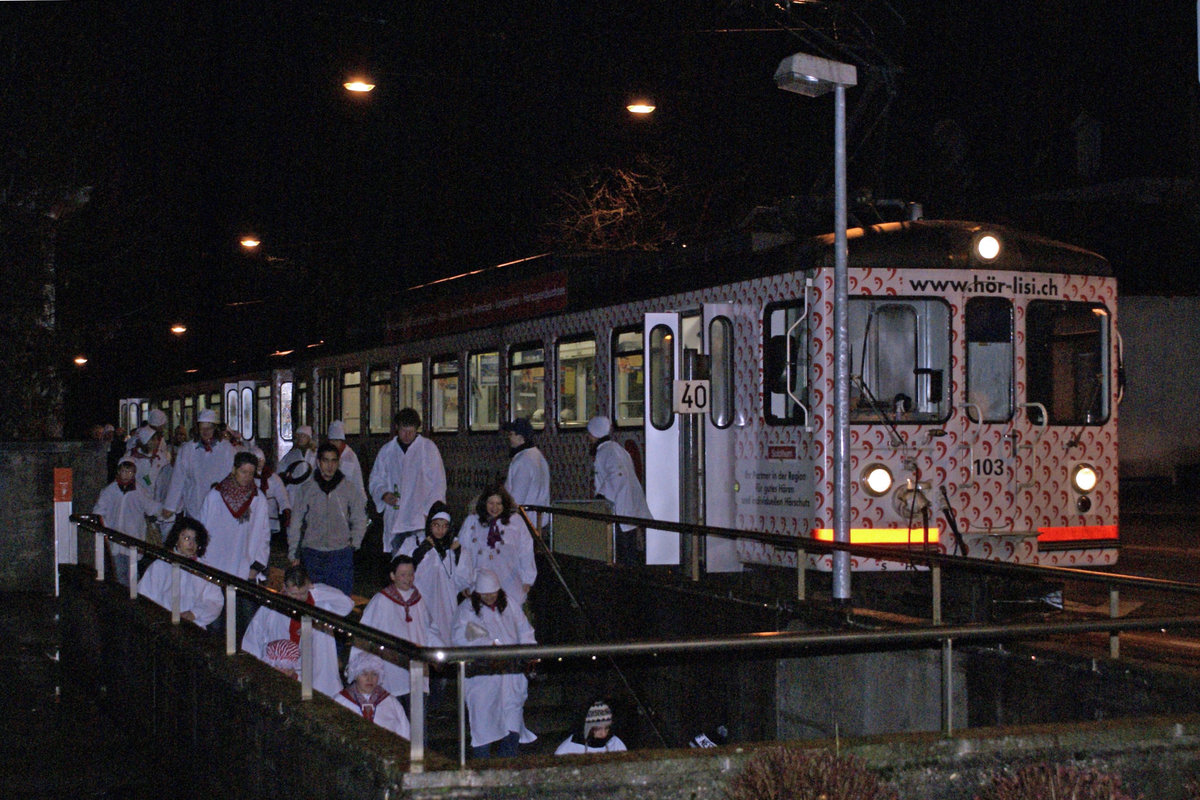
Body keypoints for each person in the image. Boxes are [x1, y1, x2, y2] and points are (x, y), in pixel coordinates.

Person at [451, 569, 536, 759]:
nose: (489, 597)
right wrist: (487, 644)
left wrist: (529, 650)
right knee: (483, 728)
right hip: (483, 680)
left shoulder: (510, 605)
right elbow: (460, 635)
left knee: (512, 724)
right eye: (485, 594)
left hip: (511, 675)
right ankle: (482, 769)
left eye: (493, 593)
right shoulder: (466, 609)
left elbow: (524, 629)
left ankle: (507, 767)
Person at [242, 564, 353, 698]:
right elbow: (254, 637)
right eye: (294, 594)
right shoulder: (272, 606)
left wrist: (315, 590)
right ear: (284, 588)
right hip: (281, 671)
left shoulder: (320, 605)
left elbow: (347, 605)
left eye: (303, 593)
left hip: (315, 674)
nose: (299, 599)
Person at [352, 554, 443, 709]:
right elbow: (364, 634)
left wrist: (437, 652)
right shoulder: (381, 601)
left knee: (418, 724)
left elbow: (428, 630)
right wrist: (361, 667)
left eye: (411, 574)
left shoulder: (418, 600)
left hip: (416, 671)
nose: (408, 579)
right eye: (402, 575)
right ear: (392, 576)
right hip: (390, 672)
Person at [289, 442, 369, 597]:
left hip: (340, 554)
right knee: (314, 600)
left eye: (333, 461)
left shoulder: (348, 488)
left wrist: (354, 543)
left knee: (341, 599)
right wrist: (294, 553)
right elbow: (296, 522)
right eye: (325, 460)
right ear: (318, 462)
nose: (330, 466)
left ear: (338, 463)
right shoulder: (307, 489)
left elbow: (359, 517)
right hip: (312, 553)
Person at [368, 408, 446, 557]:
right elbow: (375, 480)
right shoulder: (387, 451)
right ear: (397, 428)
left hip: (420, 521)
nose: (408, 435)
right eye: (404, 431)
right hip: (397, 522)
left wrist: (430, 514)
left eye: (412, 431)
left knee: (423, 567)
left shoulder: (428, 449)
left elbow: (438, 485)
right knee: (400, 567)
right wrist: (383, 494)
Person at [453, 482, 536, 607]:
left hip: (509, 582)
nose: (494, 508)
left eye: (498, 504)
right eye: (491, 503)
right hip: (479, 582)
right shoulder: (472, 521)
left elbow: (526, 550)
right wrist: (463, 583)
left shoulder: (515, 522)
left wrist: (527, 579)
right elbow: (464, 553)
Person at [587, 416, 652, 566]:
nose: (588, 437)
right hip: (625, 507)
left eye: (590, 434)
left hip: (619, 508)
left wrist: (601, 498)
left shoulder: (607, 451)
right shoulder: (615, 449)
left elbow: (617, 476)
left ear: (595, 433)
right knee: (628, 548)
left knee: (623, 551)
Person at [137, 516, 224, 628]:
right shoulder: (161, 565)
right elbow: (144, 594)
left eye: (195, 540)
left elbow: (214, 602)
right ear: (176, 539)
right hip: (161, 624)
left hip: (191, 627)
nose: (191, 544)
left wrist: (194, 613)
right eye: (186, 538)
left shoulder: (204, 570)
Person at [199, 450, 271, 584]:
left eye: (251, 473)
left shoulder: (258, 499)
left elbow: (263, 534)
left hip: (244, 566)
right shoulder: (215, 496)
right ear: (234, 470)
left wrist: (257, 565)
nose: (247, 477)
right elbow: (202, 528)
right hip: (214, 564)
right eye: (243, 472)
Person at [92, 457, 166, 586]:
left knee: (132, 572)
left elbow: (151, 507)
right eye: (124, 471)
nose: (126, 475)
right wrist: (104, 526)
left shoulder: (139, 491)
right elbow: (99, 510)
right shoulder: (110, 490)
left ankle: (132, 596)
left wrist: (165, 511)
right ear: (119, 472)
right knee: (120, 572)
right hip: (114, 538)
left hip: (133, 538)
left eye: (130, 472)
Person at [164, 409, 236, 519]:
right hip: (194, 507)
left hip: (220, 507)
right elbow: (178, 478)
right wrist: (170, 506)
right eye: (202, 428)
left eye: (209, 428)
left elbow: (234, 477)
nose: (205, 431)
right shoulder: (187, 449)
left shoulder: (227, 449)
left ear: (215, 428)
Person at [411, 501, 460, 645]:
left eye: (445, 526)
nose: (440, 530)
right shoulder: (415, 542)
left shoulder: (454, 545)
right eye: (436, 525)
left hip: (446, 601)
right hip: (424, 598)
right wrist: (421, 551)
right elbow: (404, 567)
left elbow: (463, 577)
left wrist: (457, 553)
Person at [334, 652, 411, 739]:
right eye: (364, 674)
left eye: (374, 674)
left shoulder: (390, 702)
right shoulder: (341, 701)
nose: (369, 679)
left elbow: (405, 733)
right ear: (355, 675)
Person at [501, 417, 551, 534]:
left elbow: (516, 498)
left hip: (524, 524)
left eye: (511, 434)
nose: (509, 437)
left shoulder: (523, 460)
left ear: (521, 437)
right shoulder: (537, 455)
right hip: (537, 522)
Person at [555, 700, 627, 755]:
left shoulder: (615, 743)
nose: (604, 734)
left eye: (607, 728)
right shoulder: (566, 750)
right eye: (597, 729)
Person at [254, 448, 292, 547]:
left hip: (269, 517)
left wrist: (286, 510)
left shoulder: (273, 478)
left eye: (261, 460)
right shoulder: (248, 477)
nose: (259, 463)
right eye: (256, 460)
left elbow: (282, 495)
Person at [278, 424, 317, 509]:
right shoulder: (291, 454)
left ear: (308, 438)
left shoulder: (315, 454)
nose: (301, 438)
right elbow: (280, 470)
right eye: (299, 436)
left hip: (311, 491)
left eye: (303, 436)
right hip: (294, 492)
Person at [326, 420, 364, 494]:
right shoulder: (324, 455)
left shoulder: (351, 456)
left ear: (342, 441)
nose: (334, 444)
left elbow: (357, 480)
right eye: (332, 441)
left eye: (337, 441)